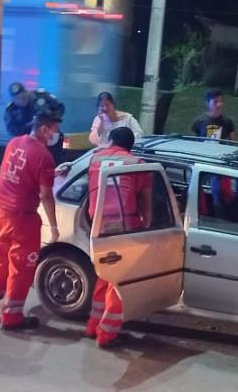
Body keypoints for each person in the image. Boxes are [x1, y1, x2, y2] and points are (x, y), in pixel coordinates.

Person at [0, 112, 62, 330]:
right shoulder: (44, 157)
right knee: (21, 268)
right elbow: (45, 194)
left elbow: (23, 172)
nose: (56, 134)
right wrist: (53, 225)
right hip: (22, 219)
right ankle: (11, 316)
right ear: (45, 129)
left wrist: (54, 172)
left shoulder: (15, 143)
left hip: (0, 214)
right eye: (55, 129)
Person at [85, 127, 152, 347]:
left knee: (104, 275)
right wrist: (147, 228)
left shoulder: (95, 158)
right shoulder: (137, 164)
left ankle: (93, 325)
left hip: (99, 226)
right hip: (124, 226)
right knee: (121, 281)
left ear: (112, 141)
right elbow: (146, 202)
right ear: (130, 146)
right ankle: (107, 333)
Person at [4, 82, 66, 163]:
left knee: (55, 161)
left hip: (50, 137)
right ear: (13, 100)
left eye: (23, 96)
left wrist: (52, 120)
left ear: (26, 92)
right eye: (18, 98)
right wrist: (30, 126)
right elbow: (12, 130)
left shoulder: (41, 96)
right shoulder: (11, 110)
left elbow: (60, 107)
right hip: (28, 143)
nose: (21, 100)